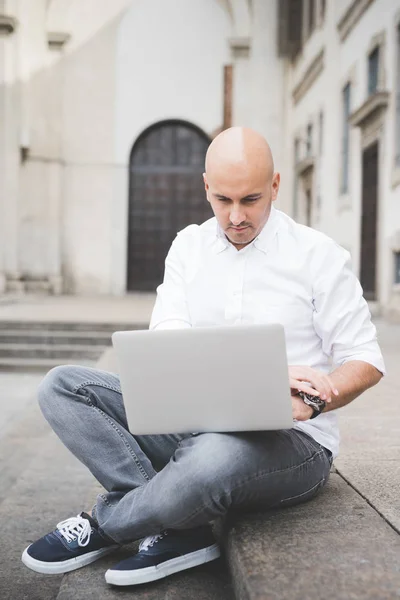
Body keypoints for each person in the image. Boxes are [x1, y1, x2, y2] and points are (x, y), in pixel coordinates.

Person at [21, 127, 385, 586]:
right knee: (62, 385)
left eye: (251, 199)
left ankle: (105, 523)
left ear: (275, 185)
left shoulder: (318, 255)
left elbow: (365, 359)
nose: (235, 216)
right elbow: (168, 339)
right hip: (193, 424)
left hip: (294, 443)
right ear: (205, 188)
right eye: (222, 200)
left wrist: (315, 399)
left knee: (211, 455)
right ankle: (179, 526)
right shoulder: (188, 247)